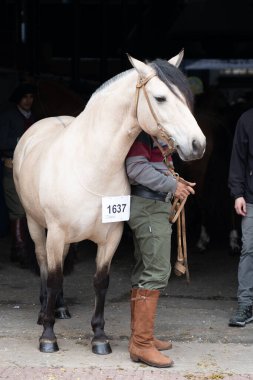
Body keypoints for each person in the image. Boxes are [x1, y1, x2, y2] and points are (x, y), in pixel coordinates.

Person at [125, 131, 196, 367]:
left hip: (152, 205)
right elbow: (135, 168)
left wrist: (176, 182)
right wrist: (171, 185)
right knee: (156, 271)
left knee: (144, 268)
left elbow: (152, 167)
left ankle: (140, 337)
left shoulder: (154, 136)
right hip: (149, 207)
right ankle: (142, 344)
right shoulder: (143, 136)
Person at [0, 82, 37, 267]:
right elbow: (3, 142)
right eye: (25, 97)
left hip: (32, 169)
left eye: (31, 97)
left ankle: (23, 249)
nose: (28, 100)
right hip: (12, 165)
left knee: (31, 208)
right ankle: (20, 249)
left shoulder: (36, 118)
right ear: (17, 99)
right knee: (17, 209)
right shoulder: (7, 117)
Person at [228, 108, 253, 327]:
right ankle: (246, 305)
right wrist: (238, 194)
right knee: (249, 250)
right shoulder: (246, 119)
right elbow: (238, 158)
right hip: (252, 198)